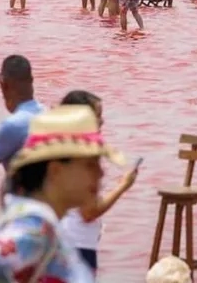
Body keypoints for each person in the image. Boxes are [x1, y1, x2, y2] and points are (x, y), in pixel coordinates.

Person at [0, 106, 125, 282]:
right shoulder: (31, 236)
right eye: (90, 165)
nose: (101, 173)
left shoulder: (45, 231)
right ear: (56, 171)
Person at [58, 90, 138, 276]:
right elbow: (89, 212)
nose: (102, 122)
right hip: (78, 245)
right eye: (97, 116)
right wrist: (123, 185)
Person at [0, 55, 45, 175]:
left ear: (4, 84)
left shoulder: (13, 124)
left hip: (22, 192)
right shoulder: (47, 113)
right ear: (31, 80)